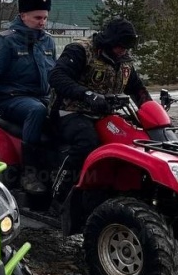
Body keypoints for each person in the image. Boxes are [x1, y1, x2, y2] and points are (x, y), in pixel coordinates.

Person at [47, 16, 151, 202]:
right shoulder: (80, 50)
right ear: (110, 41)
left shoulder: (124, 60)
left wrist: (150, 109)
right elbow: (57, 77)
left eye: (127, 47)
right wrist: (87, 94)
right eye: (121, 45)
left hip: (104, 114)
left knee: (135, 140)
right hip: (70, 112)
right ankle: (59, 192)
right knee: (87, 142)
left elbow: (137, 88)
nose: (123, 50)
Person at [0, 0, 57, 194]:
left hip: (42, 96)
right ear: (23, 15)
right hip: (12, 99)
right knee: (36, 111)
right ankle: (30, 173)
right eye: (37, 17)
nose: (42, 22)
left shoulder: (48, 41)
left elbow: (55, 74)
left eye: (45, 17)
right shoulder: (5, 41)